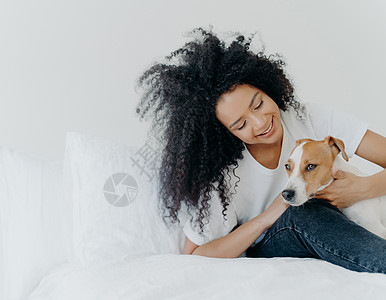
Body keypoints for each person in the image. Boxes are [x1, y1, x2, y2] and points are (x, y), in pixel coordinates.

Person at [135, 27, 386, 273]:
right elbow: (193, 255)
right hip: (277, 236)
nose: (261, 122)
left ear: (266, 87)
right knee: (304, 213)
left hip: (338, 224)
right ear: (225, 134)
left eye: (259, 104)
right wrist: (267, 217)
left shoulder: (308, 117)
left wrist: (362, 188)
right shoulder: (223, 178)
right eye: (241, 124)